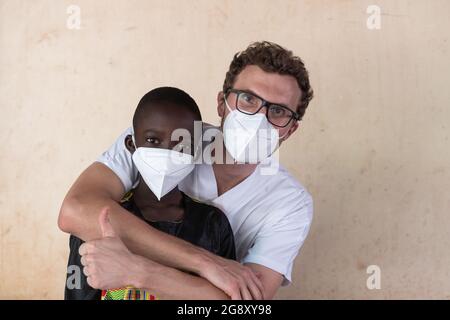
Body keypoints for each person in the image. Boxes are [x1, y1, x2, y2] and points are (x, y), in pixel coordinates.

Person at [58, 41, 314, 300]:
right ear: (222, 103)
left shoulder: (291, 203)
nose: (258, 118)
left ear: (290, 129)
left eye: (278, 111)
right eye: (248, 99)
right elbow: (75, 211)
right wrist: (206, 263)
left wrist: (139, 272)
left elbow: (247, 302)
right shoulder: (162, 131)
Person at [64, 87, 236, 300]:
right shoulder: (97, 222)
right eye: (153, 141)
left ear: (196, 152)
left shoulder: (212, 224)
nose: (167, 152)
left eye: (182, 145)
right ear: (131, 145)